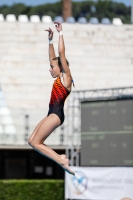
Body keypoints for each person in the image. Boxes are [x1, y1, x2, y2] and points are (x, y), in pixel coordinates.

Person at [28, 21, 75, 176]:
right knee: (31, 141)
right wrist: (50, 40)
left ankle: (62, 160)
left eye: (52, 67)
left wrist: (60, 33)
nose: (50, 69)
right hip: (51, 113)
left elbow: (61, 54)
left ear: (60, 67)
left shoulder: (66, 77)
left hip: (56, 115)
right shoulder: (58, 77)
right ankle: (60, 157)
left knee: (36, 142)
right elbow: (53, 56)